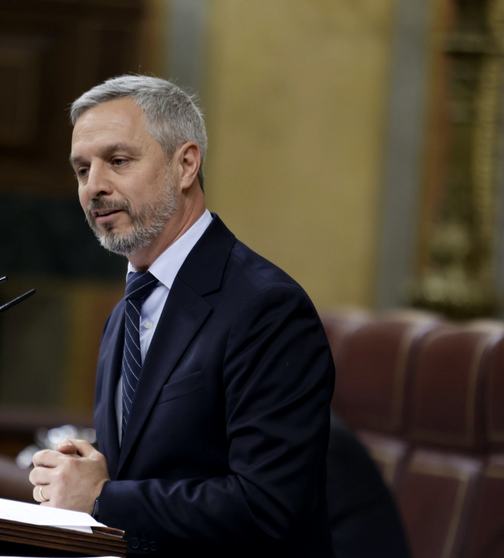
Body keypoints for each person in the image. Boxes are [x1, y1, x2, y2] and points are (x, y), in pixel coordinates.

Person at [29, 75, 336, 556]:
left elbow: (269, 503)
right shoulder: (125, 314)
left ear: (186, 164)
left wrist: (102, 496)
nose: (94, 187)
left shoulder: (267, 307)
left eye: (118, 161)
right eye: (82, 169)